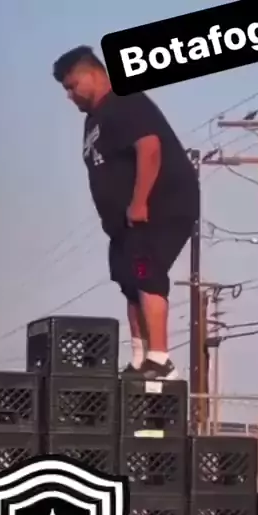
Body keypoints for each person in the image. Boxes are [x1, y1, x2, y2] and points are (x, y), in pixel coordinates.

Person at [53, 45, 200, 380]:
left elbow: (149, 147)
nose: (70, 96)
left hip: (158, 208)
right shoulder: (93, 120)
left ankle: (160, 360)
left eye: (72, 86)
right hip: (124, 224)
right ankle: (140, 359)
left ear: (93, 75)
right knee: (130, 280)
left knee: (146, 272)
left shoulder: (125, 99)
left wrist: (139, 201)